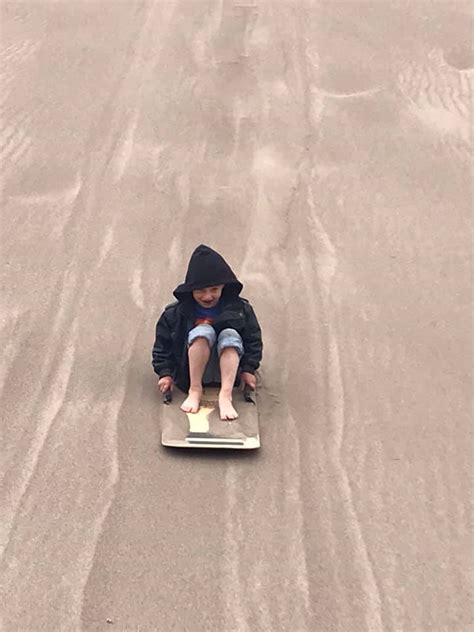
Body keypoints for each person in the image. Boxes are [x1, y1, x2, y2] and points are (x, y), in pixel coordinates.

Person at [152, 244, 263, 420]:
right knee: (203, 331)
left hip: (227, 372)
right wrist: (165, 373)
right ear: (191, 290)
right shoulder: (175, 314)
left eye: (214, 290)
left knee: (230, 335)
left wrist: (248, 369)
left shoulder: (241, 309)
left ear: (223, 287)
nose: (207, 296)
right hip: (190, 370)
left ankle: (225, 396)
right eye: (201, 291)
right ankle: (195, 390)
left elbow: (253, 340)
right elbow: (162, 346)